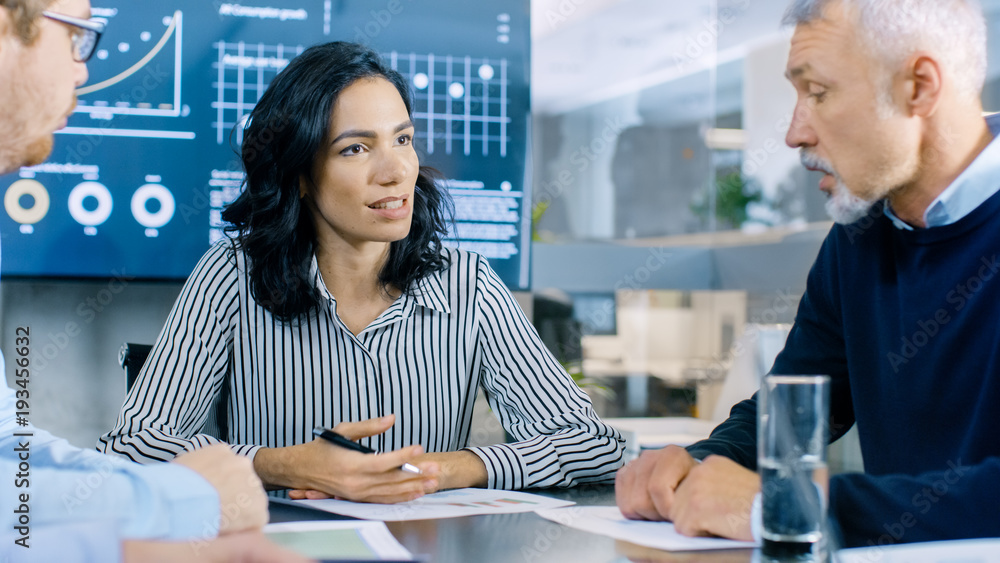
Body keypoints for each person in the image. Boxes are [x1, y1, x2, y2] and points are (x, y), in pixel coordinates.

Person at [98, 41, 625, 502]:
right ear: (300, 174)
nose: (395, 170)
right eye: (356, 148)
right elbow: (132, 445)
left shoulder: (469, 284)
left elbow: (595, 445)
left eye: (403, 139)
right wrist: (285, 465)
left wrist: (447, 469)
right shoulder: (231, 277)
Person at [615, 0, 1000, 549]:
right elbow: (794, 412)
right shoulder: (859, 235)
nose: (795, 133)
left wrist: (792, 507)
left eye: (818, 93)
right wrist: (698, 467)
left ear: (919, 87)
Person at [0, 1, 307, 561]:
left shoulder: (467, 282)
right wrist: (189, 495)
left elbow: (9, 456)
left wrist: (187, 491)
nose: (82, 70)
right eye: (75, 36)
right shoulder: (228, 270)